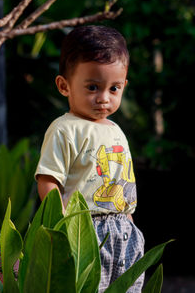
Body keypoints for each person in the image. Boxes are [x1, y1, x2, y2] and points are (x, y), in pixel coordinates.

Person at [35, 25, 145, 292]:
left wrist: (130, 224)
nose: (104, 99)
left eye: (114, 89)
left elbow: (122, 181)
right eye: (93, 87)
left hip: (124, 230)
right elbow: (49, 180)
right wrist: (66, 229)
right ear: (64, 86)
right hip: (85, 229)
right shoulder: (65, 128)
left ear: (124, 86)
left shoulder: (116, 130)